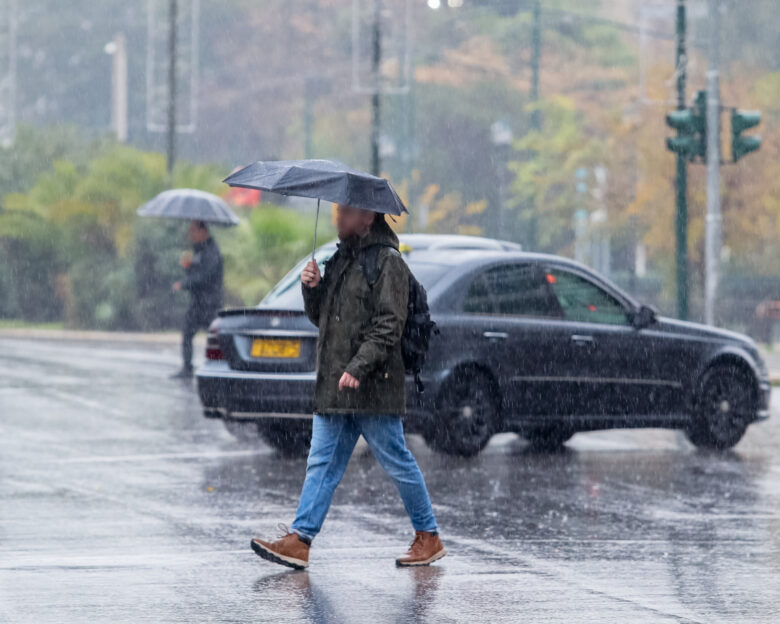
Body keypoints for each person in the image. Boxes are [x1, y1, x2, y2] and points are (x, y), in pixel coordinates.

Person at [251, 204, 446, 569]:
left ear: (367, 218)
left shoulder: (388, 263)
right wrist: (313, 289)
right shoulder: (340, 259)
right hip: (335, 384)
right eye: (337, 211)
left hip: (372, 387)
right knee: (322, 461)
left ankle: (428, 536)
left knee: (397, 460)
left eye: (346, 212)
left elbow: (390, 323)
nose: (337, 217)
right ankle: (301, 539)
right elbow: (323, 318)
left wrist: (359, 366)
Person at [170, 220, 223, 379]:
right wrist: (189, 266)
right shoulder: (199, 251)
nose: (190, 235)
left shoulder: (212, 251)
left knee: (215, 338)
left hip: (209, 303)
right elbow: (198, 273)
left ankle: (218, 369)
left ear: (202, 231)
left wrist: (184, 283)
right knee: (187, 333)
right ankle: (187, 368)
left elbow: (204, 277)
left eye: (193, 231)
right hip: (198, 302)